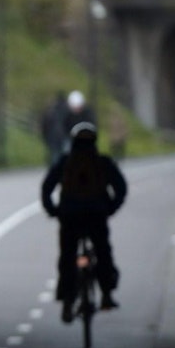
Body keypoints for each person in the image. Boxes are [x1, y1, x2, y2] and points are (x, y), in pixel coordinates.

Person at [41, 122, 127, 323]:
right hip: (96, 215)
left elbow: (47, 187)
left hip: (69, 216)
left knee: (68, 256)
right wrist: (111, 207)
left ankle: (67, 300)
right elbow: (121, 188)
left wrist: (53, 210)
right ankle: (106, 295)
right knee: (103, 252)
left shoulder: (65, 162)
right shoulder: (102, 162)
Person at [40, 91, 68, 166]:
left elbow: (44, 125)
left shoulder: (51, 111)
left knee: (55, 155)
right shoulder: (67, 110)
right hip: (64, 136)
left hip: (52, 137)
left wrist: (45, 137)